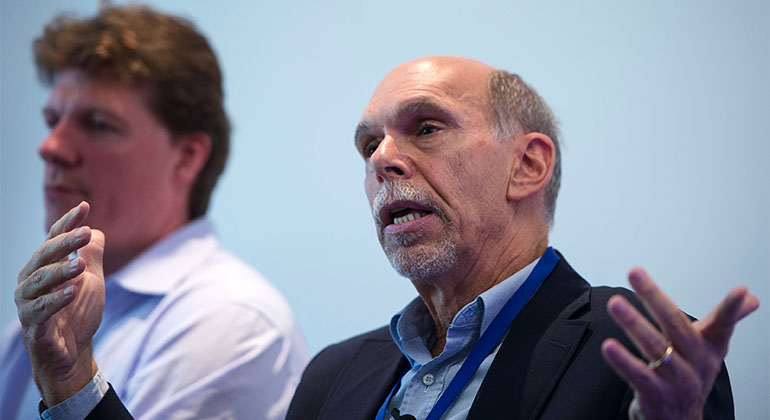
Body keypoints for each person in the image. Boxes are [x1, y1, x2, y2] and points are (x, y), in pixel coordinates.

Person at [285, 56, 759, 420]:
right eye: (370, 145)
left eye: (426, 129)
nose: (381, 159)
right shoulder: (329, 378)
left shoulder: (644, 356)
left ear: (527, 166)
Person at [2, 5, 308, 420]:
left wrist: (69, 384)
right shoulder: (31, 327)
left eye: (97, 123)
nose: (50, 146)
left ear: (187, 157)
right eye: (53, 120)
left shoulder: (231, 322)